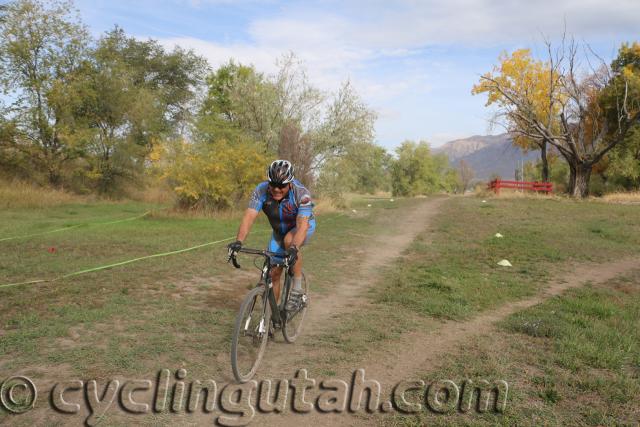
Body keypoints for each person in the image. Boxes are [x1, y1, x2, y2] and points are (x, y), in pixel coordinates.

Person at [228, 160, 315, 312]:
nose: (276, 189)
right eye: (273, 184)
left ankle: (297, 288)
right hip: (278, 231)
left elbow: (301, 226)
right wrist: (238, 242)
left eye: (281, 186)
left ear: (290, 183)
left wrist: (294, 248)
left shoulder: (302, 194)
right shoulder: (261, 190)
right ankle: (271, 318)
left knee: (290, 241)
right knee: (273, 273)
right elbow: (249, 217)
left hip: (302, 227)